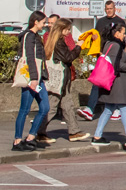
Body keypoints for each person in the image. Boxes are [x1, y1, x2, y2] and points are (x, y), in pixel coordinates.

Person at [90, 21, 126, 151]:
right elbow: (117, 65)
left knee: (108, 109)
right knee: (124, 107)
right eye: (122, 33)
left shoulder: (108, 44)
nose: (124, 35)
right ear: (116, 33)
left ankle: (97, 136)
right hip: (117, 82)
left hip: (111, 81)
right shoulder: (116, 46)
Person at [38, 18, 87, 144]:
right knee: (52, 107)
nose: (69, 32)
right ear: (62, 29)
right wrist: (78, 47)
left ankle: (74, 132)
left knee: (68, 105)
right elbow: (68, 57)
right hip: (59, 80)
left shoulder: (53, 40)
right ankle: (38, 132)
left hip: (61, 80)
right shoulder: (59, 43)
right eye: (68, 29)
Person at [13, 11, 49, 152]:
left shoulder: (35, 36)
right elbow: (30, 58)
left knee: (45, 107)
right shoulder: (29, 36)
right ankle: (17, 141)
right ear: (36, 22)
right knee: (24, 109)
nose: (44, 25)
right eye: (43, 22)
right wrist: (33, 78)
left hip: (38, 78)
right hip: (31, 78)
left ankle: (30, 137)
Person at [82, 1, 123, 122]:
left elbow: (123, 39)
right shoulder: (101, 22)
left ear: (115, 9)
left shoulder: (120, 22)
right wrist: (96, 48)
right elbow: (97, 38)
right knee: (98, 81)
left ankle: (116, 109)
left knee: (114, 82)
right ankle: (90, 109)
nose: (109, 11)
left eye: (111, 8)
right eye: (107, 9)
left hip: (115, 55)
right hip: (103, 55)